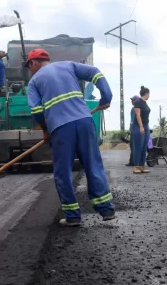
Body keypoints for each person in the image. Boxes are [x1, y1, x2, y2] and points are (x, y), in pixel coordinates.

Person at [26, 49, 115, 227]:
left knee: (63, 172)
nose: (30, 70)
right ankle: (106, 209)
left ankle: (73, 216)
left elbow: (36, 110)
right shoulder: (68, 65)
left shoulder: (34, 81)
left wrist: (45, 130)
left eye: (29, 66)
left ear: (33, 63)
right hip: (84, 122)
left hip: (60, 128)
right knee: (93, 164)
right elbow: (95, 72)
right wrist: (106, 97)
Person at [131, 86, 151, 174]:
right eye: (149, 94)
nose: (149, 95)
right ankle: (136, 166)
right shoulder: (137, 102)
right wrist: (141, 127)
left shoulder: (144, 103)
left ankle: (142, 165)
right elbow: (138, 115)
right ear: (146, 94)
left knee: (144, 146)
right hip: (138, 126)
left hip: (146, 125)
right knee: (138, 146)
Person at [126, 95, 140, 166]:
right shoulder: (133, 109)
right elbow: (132, 120)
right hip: (134, 129)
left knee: (135, 146)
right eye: (132, 100)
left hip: (136, 129)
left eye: (133, 100)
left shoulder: (137, 109)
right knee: (133, 145)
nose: (132, 101)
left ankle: (134, 162)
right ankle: (132, 161)